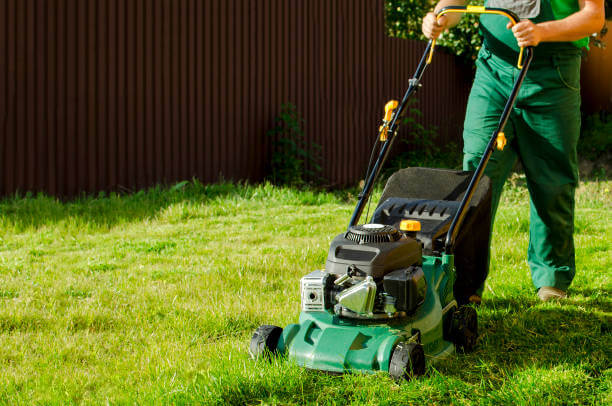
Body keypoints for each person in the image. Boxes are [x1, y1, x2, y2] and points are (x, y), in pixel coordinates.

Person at [422, 0, 605, 302]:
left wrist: (542, 31)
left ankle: (551, 278)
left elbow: (593, 17)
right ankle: (465, 284)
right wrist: (439, 18)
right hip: (493, 70)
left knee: (552, 180)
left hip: (552, 73)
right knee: (476, 174)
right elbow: (453, 4)